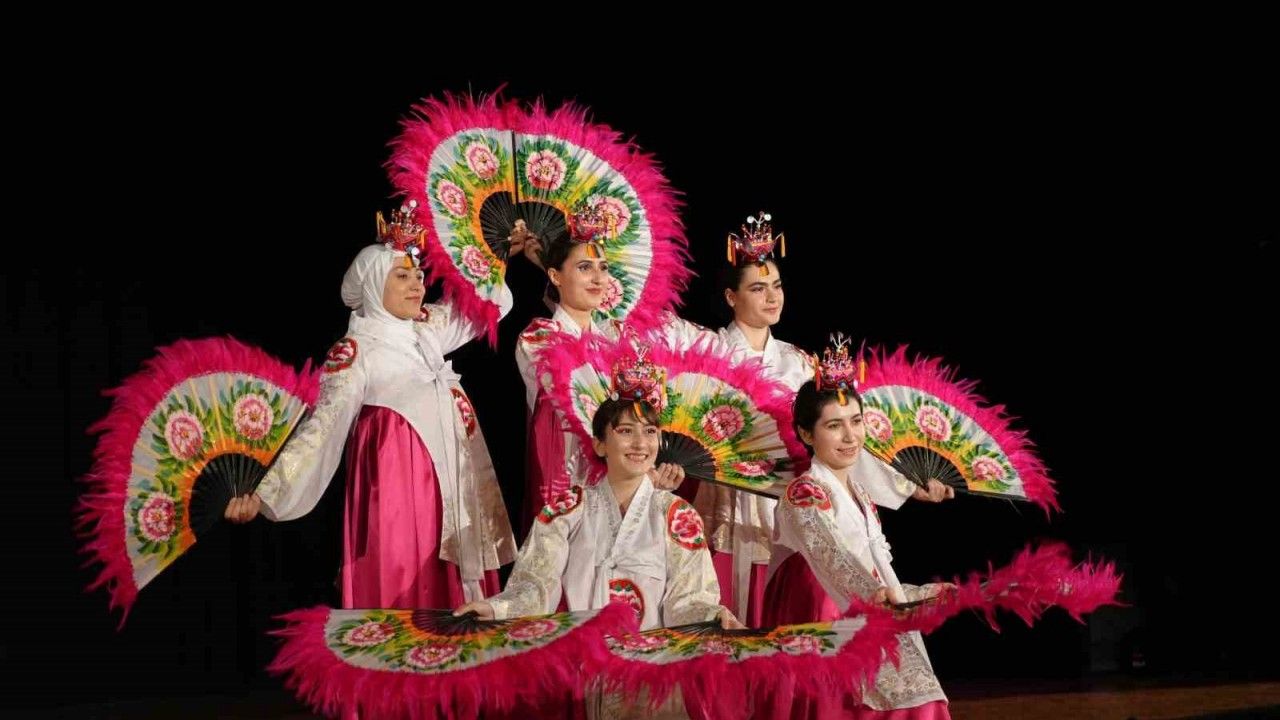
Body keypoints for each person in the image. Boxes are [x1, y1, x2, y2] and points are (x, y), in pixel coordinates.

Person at [224, 203, 519, 607]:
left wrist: (492, 254)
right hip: (398, 493)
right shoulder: (355, 351)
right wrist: (266, 496)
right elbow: (321, 430)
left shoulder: (426, 330)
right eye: (402, 276)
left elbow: (487, 307)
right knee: (407, 592)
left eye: (419, 275)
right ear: (374, 285)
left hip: (451, 493)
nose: (417, 285)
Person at [762, 338, 952, 717]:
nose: (850, 437)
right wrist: (879, 596)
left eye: (856, 421)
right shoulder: (803, 492)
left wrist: (913, 595)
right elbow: (831, 555)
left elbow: (873, 566)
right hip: (821, 615)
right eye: (834, 425)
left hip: (867, 606)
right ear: (806, 434)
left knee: (919, 700)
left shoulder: (860, 494)